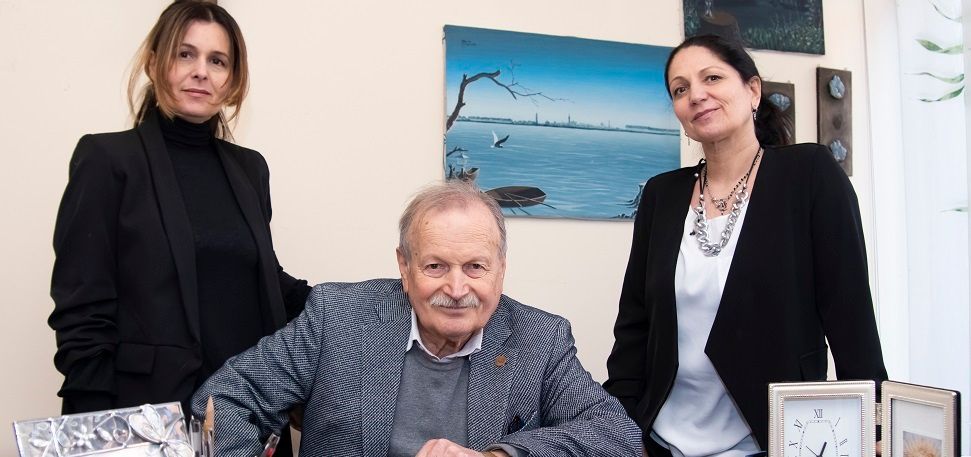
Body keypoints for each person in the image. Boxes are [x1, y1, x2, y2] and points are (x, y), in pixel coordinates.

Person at [191, 181, 642, 456]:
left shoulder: (539, 339)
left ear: (501, 269)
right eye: (435, 266)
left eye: (476, 267)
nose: (457, 288)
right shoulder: (339, 317)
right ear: (404, 268)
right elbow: (225, 397)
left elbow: (617, 436)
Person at [603, 34, 888, 456]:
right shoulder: (662, 195)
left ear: (752, 90)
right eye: (680, 89)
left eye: (712, 77)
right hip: (662, 441)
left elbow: (851, 318)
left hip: (773, 438)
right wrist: (621, 432)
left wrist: (874, 425)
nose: (696, 95)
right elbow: (634, 327)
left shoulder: (808, 175)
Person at [48, 0, 310, 424]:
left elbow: (261, 279)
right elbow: (82, 309)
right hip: (146, 416)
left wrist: (361, 305)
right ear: (154, 64)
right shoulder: (107, 160)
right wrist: (98, 429)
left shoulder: (250, 169)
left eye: (217, 60)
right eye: (184, 54)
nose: (201, 71)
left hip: (245, 415)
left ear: (233, 80)